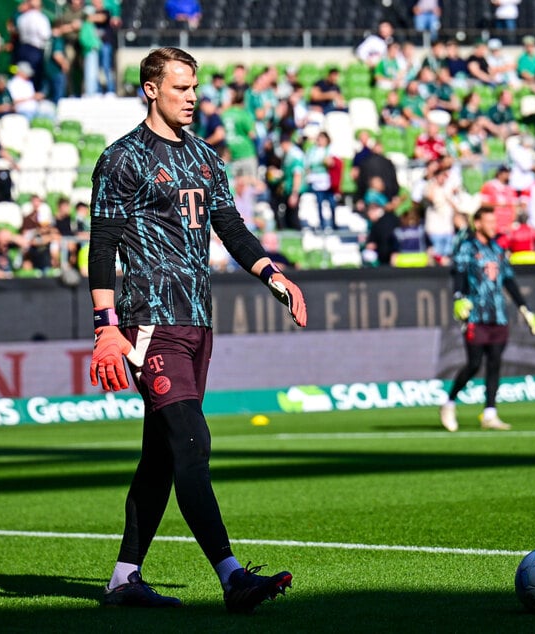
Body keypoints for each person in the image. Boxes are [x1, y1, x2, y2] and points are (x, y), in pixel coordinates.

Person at [88, 46, 305, 612]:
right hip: (148, 325)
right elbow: (102, 244)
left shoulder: (207, 158)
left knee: (161, 455)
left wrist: (273, 275)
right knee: (191, 440)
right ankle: (233, 577)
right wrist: (105, 327)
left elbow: (230, 226)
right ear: (151, 90)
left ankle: (123, 580)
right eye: (180, 88)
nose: (191, 98)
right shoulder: (122, 159)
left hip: (197, 322)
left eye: (194, 89)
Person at [439, 207, 535, 432]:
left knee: (495, 363)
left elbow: (509, 281)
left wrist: (525, 308)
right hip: (476, 314)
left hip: (498, 315)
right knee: (474, 363)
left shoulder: (497, 249)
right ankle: (449, 403)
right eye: (489, 221)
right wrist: (458, 298)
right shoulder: (467, 247)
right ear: (478, 223)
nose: (494, 226)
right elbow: (459, 275)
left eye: (495, 221)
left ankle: (490, 412)